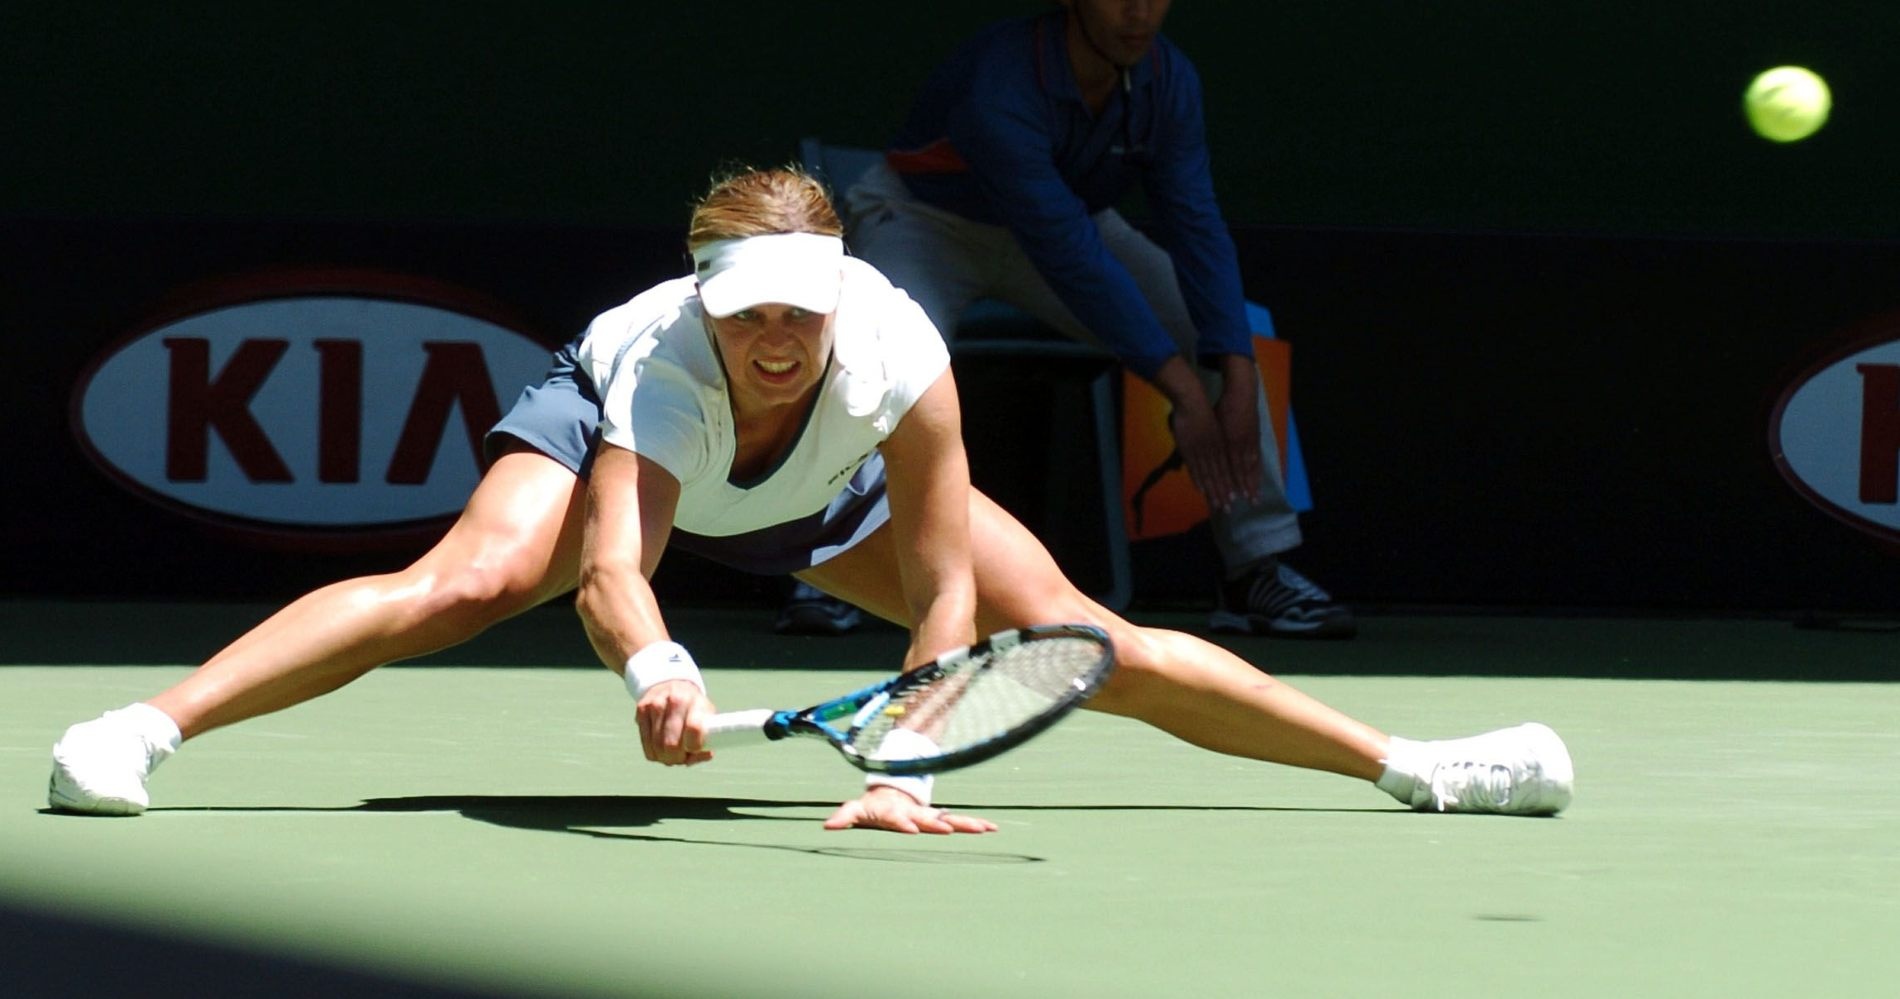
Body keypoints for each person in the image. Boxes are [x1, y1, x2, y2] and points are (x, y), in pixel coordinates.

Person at [49, 167, 1572, 832]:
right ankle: (137, 731)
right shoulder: (660, 362)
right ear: (709, 299)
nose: (780, 335)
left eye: (804, 308)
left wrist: (911, 759)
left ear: (842, 290)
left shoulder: (899, 354)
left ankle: (1418, 764)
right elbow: (608, 575)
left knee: (1087, 634)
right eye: (752, 311)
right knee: (466, 581)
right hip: (634, 464)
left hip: (826, 486)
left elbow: (954, 591)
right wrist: (652, 660)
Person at [816, 0, 1351, 639]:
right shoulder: (1002, 81)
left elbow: (1197, 222)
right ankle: (830, 564)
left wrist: (1232, 374)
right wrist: (1182, 393)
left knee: (1217, 330)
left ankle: (1254, 568)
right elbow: (1068, 254)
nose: (1137, 13)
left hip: (1067, 221)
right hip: (928, 222)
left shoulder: (1170, 79)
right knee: (882, 359)